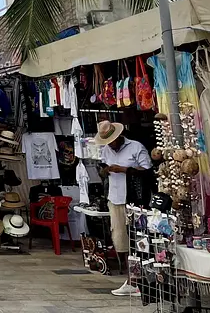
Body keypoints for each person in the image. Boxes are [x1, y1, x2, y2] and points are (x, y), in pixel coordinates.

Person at [95, 120, 152, 297]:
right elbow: (102, 169)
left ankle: (141, 281)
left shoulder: (136, 147)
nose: (110, 144)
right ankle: (131, 279)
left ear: (119, 136)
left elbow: (148, 172)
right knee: (121, 239)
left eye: (112, 140)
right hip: (116, 198)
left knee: (139, 240)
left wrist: (125, 170)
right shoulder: (106, 150)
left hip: (136, 200)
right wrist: (105, 171)